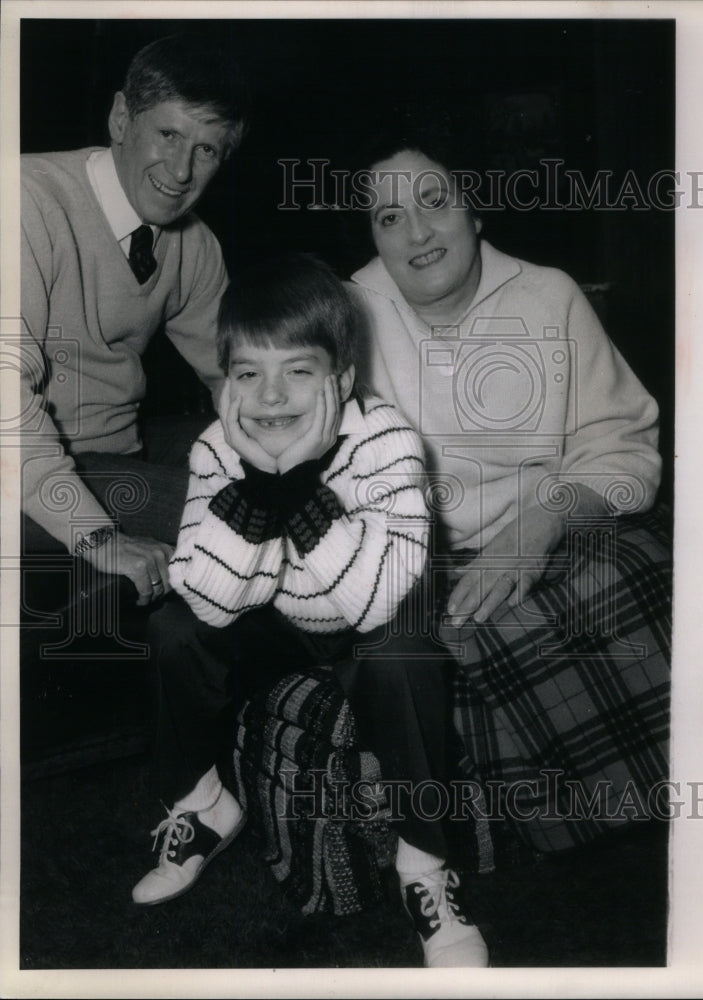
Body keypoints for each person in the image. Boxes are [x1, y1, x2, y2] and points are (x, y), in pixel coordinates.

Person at [135, 255, 490, 968]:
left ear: (342, 379)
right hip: (280, 620)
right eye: (247, 374)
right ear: (224, 380)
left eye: (298, 371)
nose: (270, 398)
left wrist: (296, 488)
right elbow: (207, 596)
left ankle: (423, 866)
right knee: (172, 628)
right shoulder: (216, 448)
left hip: (368, 620)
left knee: (402, 654)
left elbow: (372, 600)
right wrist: (257, 481)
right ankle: (205, 804)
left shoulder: (387, 438)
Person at [346, 121, 673, 855]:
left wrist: (543, 521)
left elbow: (623, 450)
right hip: (413, 561)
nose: (417, 234)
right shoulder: (345, 314)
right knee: (427, 638)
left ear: (474, 207)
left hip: (545, 535)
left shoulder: (550, 297)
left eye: (434, 201)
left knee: (642, 574)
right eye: (389, 217)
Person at [19, 33, 249, 607]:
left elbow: (239, 375)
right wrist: (98, 538)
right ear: (122, 117)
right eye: (168, 134)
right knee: (250, 515)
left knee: (293, 475)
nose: (180, 171)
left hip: (120, 450)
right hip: (23, 474)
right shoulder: (25, 202)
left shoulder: (192, 243)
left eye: (206, 150)